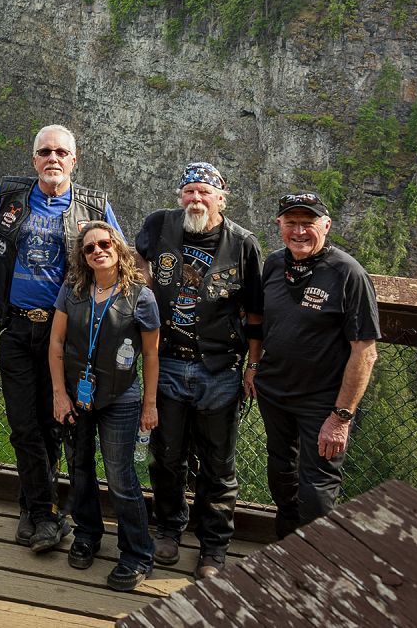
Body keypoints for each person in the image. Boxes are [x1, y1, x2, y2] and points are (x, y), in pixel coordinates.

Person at [0, 124, 120, 553]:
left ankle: (39, 512)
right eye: (44, 152)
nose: (52, 158)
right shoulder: (7, 196)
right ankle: (42, 513)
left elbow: (121, 259)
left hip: (67, 336)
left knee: (59, 423)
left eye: (61, 152)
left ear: (74, 160)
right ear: (33, 159)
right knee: (23, 426)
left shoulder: (93, 206)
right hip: (16, 328)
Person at [134, 161, 263, 579]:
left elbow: (257, 312)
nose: (195, 199)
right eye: (189, 191)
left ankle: (213, 548)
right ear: (179, 196)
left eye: (204, 193)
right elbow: (136, 264)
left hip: (220, 368)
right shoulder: (159, 226)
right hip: (167, 361)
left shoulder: (243, 244)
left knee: (217, 465)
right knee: (166, 458)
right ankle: (169, 530)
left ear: (221, 199)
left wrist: (254, 366)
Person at [250, 191, 380, 536]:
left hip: (322, 402)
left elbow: (365, 352)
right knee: (280, 473)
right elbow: (261, 319)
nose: (299, 231)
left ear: (326, 224)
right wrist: (254, 366)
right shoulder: (275, 263)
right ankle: (285, 546)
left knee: (318, 487)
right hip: (274, 391)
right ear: (279, 224)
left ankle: (315, 561)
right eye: (291, 223)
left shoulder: (348, 274)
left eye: (307, 223)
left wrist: (341, 417)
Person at [49, 221, 160, 591]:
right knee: (80, 469)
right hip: (78, 396)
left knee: (120, 477)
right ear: (83, 257)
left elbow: (150, 354)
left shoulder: (140, 296)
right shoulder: (73, 289)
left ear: (118, 247)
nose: (98, 250)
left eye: (105, 243)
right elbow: (56, 344)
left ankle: (138, 552)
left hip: (121, 399)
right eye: (89, 247)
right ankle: (87, 535)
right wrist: (59, 394)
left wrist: (150, 404)